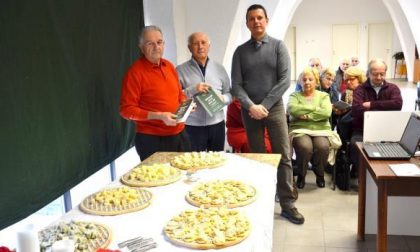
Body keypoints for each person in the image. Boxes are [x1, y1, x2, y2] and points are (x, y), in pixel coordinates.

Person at [231, 4, 304, 224]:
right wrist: (252, 106)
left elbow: (284, 80)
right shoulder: (240, 52)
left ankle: (287, 204)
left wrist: (265, 105)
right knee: (258, 158)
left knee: (282, 156)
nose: (256, 22)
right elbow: (236, 85)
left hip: (275, 110)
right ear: (247, 23)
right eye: (252, 18)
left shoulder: (278, 47)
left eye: (260, 17)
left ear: (267, 20)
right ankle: (262, 202)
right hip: (250, 112)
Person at [120, 25, 191, 161]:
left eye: (159, 42)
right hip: (152, 139)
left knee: (185, 177)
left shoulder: (169, 66)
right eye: (150, 43)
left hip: (180, 134)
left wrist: (186, 105)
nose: (156, 47)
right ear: (141, 47)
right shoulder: (134, 73)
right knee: (158, 181)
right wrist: (159, 116)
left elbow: (179, 95)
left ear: (163, 44)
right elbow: (126, 110)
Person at [176, 32, 232, 151]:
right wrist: (193, 89)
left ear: (209, 45)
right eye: (196, 43)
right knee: (193, 165)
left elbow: (230, 94)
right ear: (189, 47)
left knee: (216, 163)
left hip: (217, 125)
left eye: (203, 43)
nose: (200, 46)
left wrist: (223, 99)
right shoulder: (180, 70)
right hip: (191, 126)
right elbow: (175, 97)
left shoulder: (219, 68)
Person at [288, 67, 341, 189]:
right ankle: (301, 175)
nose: (307, 82)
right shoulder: (294, 96)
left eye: (310, 79)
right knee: (305, 147)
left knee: (322, 147)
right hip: (299, 128)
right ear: (300, 82)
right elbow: (293, 109)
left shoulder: (323, 96)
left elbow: (326, 112)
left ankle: (320, 174)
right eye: (304, 79)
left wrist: (306, 115)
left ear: (316, 82)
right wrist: (315, 109)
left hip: (321, 129)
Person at [350, 58, 403, 176]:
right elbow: (357, 110)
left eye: (382, 74)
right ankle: (362, 175)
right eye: (375, 74)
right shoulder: (360, 89)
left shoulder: (393, 88)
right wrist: (385, 107)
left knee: (398, 147)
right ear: (368, 73)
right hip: (362, 130)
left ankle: (386, 174)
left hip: (387, 130)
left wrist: (371, 105)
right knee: (356, 145)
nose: (379, 77)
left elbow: (397, 104)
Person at [335, 66, 366, 144]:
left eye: (351, 79)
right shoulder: (345, 92)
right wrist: (339, 110)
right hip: (346, 122)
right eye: (346, 80)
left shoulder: (366, 91)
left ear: (359, 78)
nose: (348, 82)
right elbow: (342, 109)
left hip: (361, 123)